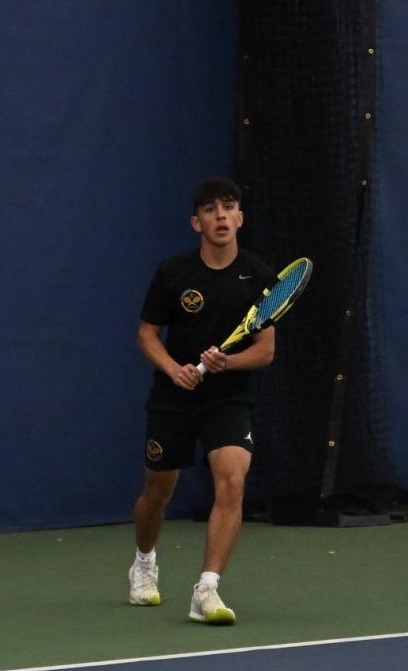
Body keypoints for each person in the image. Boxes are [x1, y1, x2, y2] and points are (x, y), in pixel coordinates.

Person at [128, 177, 276, 625]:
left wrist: (225, 363)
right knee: (158, 490)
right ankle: (144, 560)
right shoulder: (174, 273)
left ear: (240, 218)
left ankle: (206, 588)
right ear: (197, 222)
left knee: (231, 480)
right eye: (210, 210)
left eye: (229, 208)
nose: (221, 217)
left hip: (229, 399)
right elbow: (146, 334)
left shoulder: (260, 277)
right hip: (175, 397)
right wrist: (176, 369)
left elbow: (266, 350)